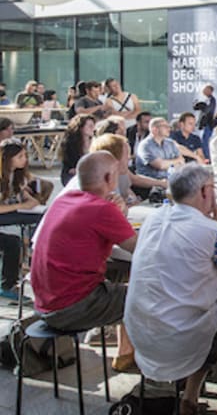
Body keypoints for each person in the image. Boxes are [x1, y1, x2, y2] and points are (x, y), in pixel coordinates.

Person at [125, 164, 217, 415]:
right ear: (205, 191)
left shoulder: (152, 219)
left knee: (201, 307)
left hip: (139, 335)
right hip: (177, 340)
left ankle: (190, 394)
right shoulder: (214, 231)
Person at [31, 152, 138, 370]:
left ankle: (124, 349)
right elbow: (141, 249)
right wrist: (120, 214)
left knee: (120, 275)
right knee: (150, 297)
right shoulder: (103, 209)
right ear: (109, 178)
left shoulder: (64, 200)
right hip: (72, 308)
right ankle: (159, 374)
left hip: (44, 301)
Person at [0, 140, 44, 301]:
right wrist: (21, 204)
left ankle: (33, 253)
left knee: (42, 218)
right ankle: (8, 284)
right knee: (12, 242)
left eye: (25, 155)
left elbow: (29, 199)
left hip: (11, 213)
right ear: (7, 158)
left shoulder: (16, 176)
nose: (24, 159)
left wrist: (29, 201)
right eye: (20, 156)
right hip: (6, 213)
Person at [59, 114, 95, 185]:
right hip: (72, 175)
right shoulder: (70, 144)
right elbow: (70, 167)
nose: (93, 128)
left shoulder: (96, 142)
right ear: (81, 128)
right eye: (90, 126)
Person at [197, 84, 217, 157]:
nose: (203, 91)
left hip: (208, 124)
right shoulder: (206, 99)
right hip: (205, 124)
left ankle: (207, 157)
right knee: (204, 140)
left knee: (205, 141)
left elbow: (208, 111)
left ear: (210, 91)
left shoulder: (212, 100)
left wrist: (203, 107)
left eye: (206, 89)